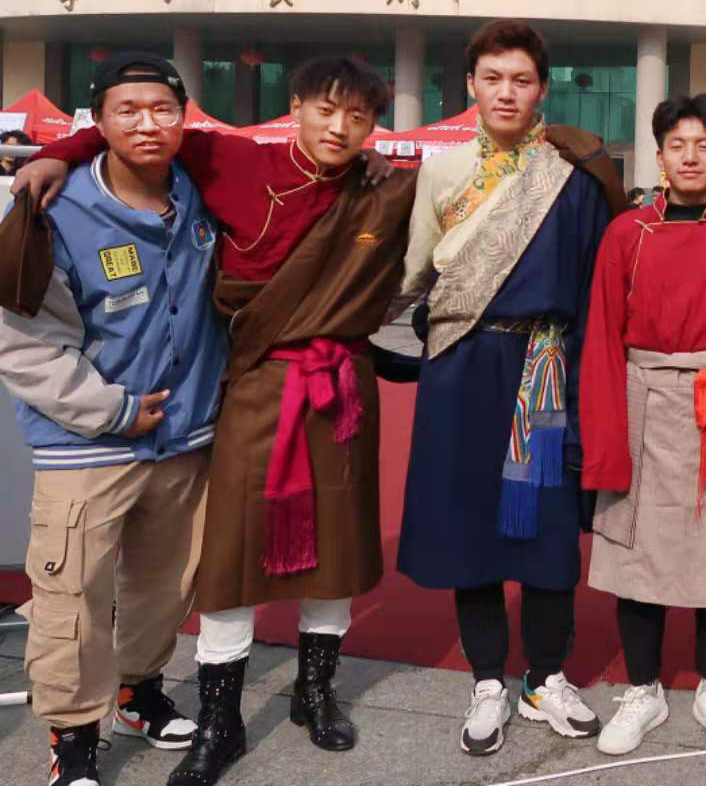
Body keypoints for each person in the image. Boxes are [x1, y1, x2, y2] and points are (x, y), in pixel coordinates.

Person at [17, 55, 418, 786]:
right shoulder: (223, 162)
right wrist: (55, 153)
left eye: (358, 117)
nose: (339, 127)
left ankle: (301, 692)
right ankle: (184, 724)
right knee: (210, 558)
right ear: (296, 105)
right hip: (212, 399)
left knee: (293, 552)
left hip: (284, 399)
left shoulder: (371, 188)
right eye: (325, 109)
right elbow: (140, 130)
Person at [395, 19, 623, 757]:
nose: (505, 92)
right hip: (462, 364)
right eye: (492, 78)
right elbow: (414, 271)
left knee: (549, 526)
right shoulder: (442, 170)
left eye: (521, 80)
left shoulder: (574, 172)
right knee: (471, 525)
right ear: (470, 85)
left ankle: (545, 676)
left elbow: (597, 282)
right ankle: (488, 678)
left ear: (541, 89)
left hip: (547, 366)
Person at [0, 56, 226, 786]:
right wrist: (113, 411)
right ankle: (72, 738)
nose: (146, 123)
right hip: (87, 444)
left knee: (165, 586)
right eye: (127, 110)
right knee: (73, 596)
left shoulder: (204, 194)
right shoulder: (53, 212)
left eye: (162, 109)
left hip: (183, 440)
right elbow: (21, 344)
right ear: (98, 123)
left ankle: (138, 693)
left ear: (184, 117)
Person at [580, 93, 706, 756]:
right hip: (641, 396)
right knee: (637, 550)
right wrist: (605, 430)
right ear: (660, 155)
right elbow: (603, 334)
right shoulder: (626, 233)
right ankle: (644, 688)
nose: (690, 157)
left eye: (704, 146)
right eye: (677, 145)